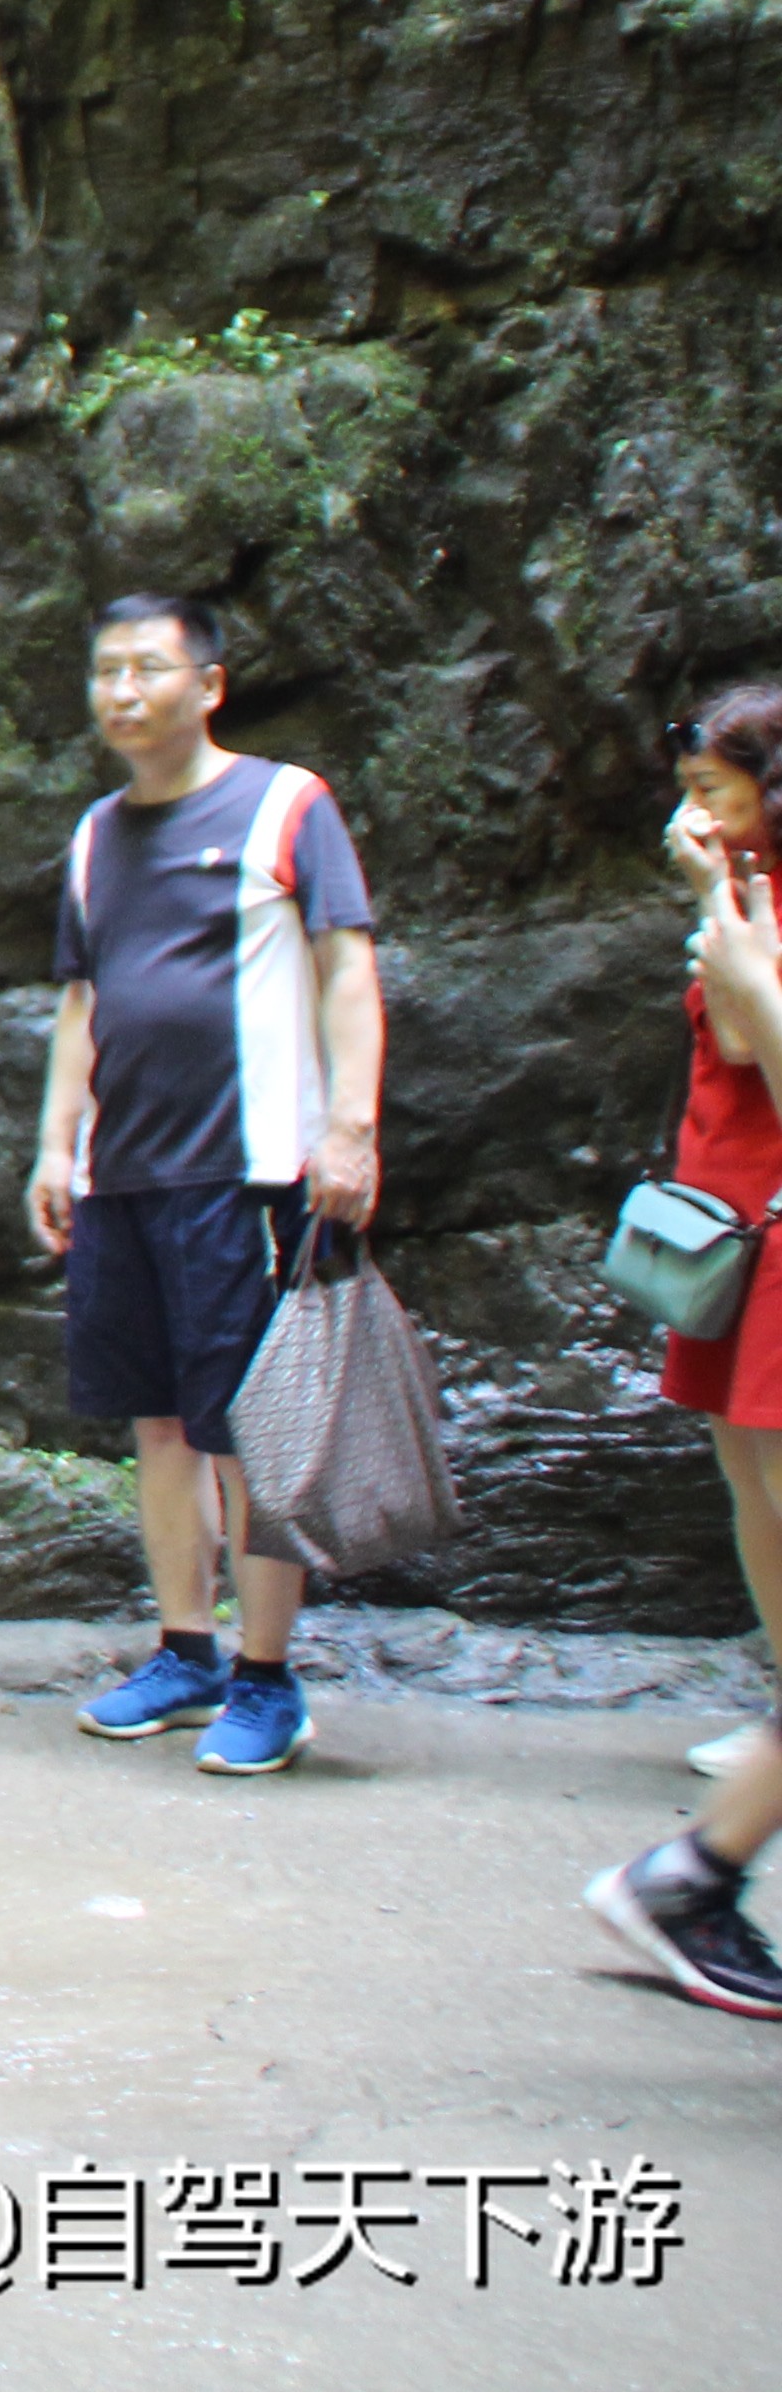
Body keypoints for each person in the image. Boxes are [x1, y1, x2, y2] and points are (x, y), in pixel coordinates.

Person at [26, 593, 382, 1782]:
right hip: (125, 1172)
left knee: (253, 1429)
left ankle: (270, 1678)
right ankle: (186, 1652)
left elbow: (347, 967)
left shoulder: (287, 804)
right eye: (105, 672)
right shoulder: (94, 835)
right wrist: (53, 1147)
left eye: (146, 669)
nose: (122, 692)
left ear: (208, 684)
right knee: (160, 1423)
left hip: (250, 1168)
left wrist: (351, 1127)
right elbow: (81, 1003)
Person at [591, 698, 782, 2018]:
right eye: (695, 793)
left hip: (749, 1244)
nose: (694, 819)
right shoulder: (743, 918)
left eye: (717, 792)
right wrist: (727, 930)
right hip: (755, 1250)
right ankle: (694, 1875)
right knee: (751, 1493)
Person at [649, 687, 782, 1794]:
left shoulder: (755, 898)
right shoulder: (747, 888)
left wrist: (709, 889)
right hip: (723, 1218)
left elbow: (744, 1035)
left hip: (775, 1216)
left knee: (778, 1471)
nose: (692, 815)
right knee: (743, 1469)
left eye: (708, 792)